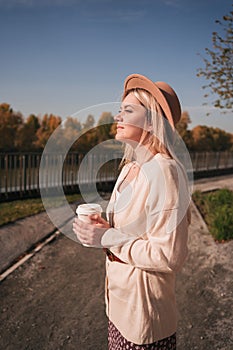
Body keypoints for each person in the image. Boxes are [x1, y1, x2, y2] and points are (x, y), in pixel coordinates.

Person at [73, 73, 191, 350]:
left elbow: (169, 256)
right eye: (120, 109)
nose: (117, 116)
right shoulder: (129, 168)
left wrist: (106, 237)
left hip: (143, 319)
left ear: (152, 121)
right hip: (118, 308)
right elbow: (126, 233)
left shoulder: (165, 172)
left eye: (128, 110)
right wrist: (102, 228)